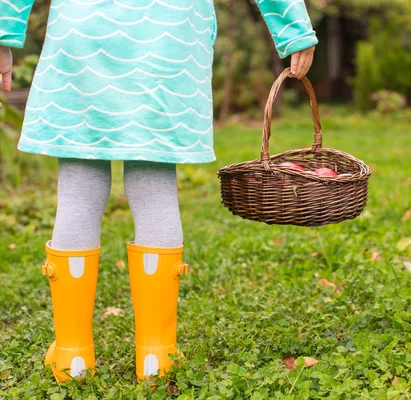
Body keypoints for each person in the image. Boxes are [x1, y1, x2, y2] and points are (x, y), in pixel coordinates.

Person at [0, 0, 317, 382]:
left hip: (83, 34)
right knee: (154, 186)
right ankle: (157, 354)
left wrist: (3, 34)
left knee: (78, 187)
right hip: (168, 40)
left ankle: (72, 355)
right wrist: (294, 30)